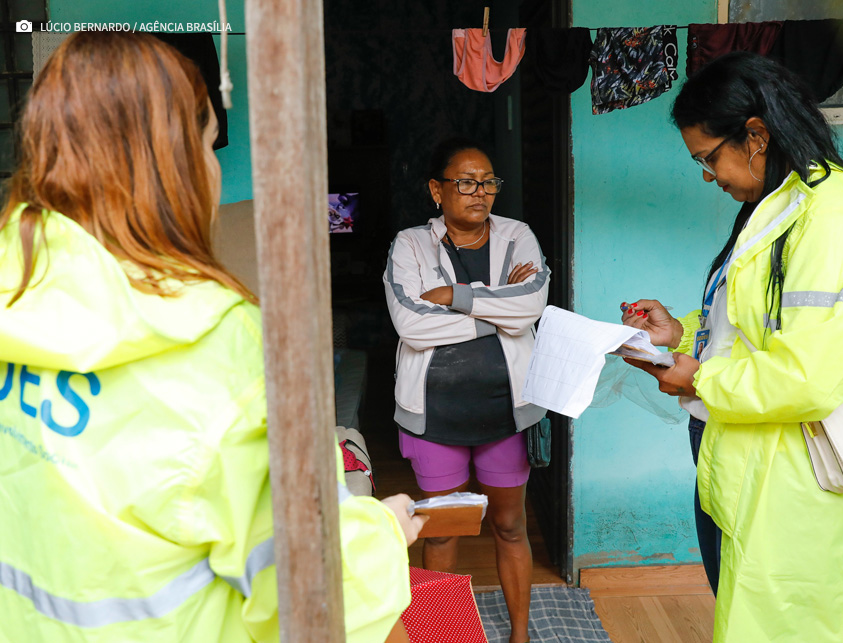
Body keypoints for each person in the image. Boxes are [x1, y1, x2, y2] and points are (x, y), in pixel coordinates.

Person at [0, 32, 426, 643]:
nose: (214, 167)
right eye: (207, 144)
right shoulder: (223, 349)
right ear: (173, 170)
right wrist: (381, 534)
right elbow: (324, 592)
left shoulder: (14, 289)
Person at [619, 51, 843, 642]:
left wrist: (698, 379)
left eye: (708, 158)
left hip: (794, 480)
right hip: (741, 460)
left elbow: (807, 374)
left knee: (784, 625)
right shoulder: (776, 205)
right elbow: (754, 322)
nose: (709, 175)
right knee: (744, 612)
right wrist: (677, 331)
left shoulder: (834, 214)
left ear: (756, 135)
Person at [383, 137, 550, 643]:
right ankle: (442, 637)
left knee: (510, 526)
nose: (480, 192)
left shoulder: (518, 235)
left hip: (506, 410)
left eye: (489, 182)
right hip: (435, 415)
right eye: (466, 182)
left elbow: (532, 306)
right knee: (443, 531)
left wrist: (454, 298)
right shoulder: (410, 244)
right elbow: (411, 323)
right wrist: (497, 315)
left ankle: (519, 636)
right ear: (437, 189)